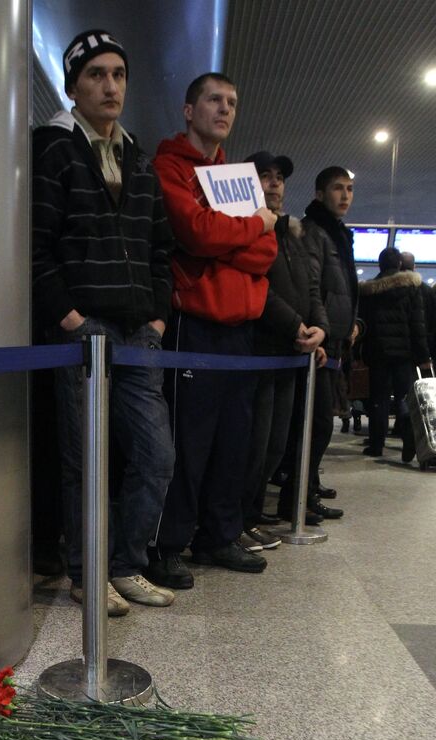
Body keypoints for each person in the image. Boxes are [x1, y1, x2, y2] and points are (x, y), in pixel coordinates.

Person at [32, 28, 176, 616]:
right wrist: (69, 317)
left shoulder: (138, 159)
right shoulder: (54, 148)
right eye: (96, 74)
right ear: (73, 86)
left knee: (155, 453)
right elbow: (35, 246)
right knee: (84, 460)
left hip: (138, 332)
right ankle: (85, 574)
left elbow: (161, 251)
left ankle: (125, 564)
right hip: (82, 330)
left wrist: (158, 320)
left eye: (118, 74)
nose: (110, 85)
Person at [147, 72, 278, 588]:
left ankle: (218, 535)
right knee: (189, 440)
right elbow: (196, 234)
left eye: (232, 102)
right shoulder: (169, 168)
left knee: (232, 440)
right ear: (188, 109)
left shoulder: (237, 176)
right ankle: (169, 543)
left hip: (240, 329)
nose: (224, 110)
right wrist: (254, 225)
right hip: (196, 325)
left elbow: (265, 254)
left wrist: (236, 235)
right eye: (214, 100)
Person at [241, 150, 327, 543]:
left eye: (278, 177)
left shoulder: (291, 232)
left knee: (275, 444)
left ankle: (251, 515)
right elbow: (259, 287)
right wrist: (297, 325)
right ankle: (239, 520)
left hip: (291, 352)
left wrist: (318, 330)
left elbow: (311, 288)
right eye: (265, 175)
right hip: (259, 349)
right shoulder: (247, 228)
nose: (274, 183)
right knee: (253, 445)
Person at [278, 166, 360, 522]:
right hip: (319, 339)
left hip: (335, 337)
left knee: (319, 423)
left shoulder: (337, 233)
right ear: (319, 193)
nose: (345, 195)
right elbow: (313, 287)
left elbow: (341, 287)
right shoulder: (315, 231)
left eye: (350, 189)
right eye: (338, 188)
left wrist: (354, 322)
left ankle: (306, 491)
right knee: (315, 424)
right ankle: (296, 498)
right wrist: (320, 327)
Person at [358, 247, 430, 461]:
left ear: (379, 265)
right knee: (404, 398)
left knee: (378, 400)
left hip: (377, 353)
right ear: (399, 264)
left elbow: (364, 325)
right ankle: (409, 442)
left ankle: (376, 444)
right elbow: (418, 324)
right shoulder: (411, 288)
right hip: (404, 355)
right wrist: (423, 356)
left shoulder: (369, 290)